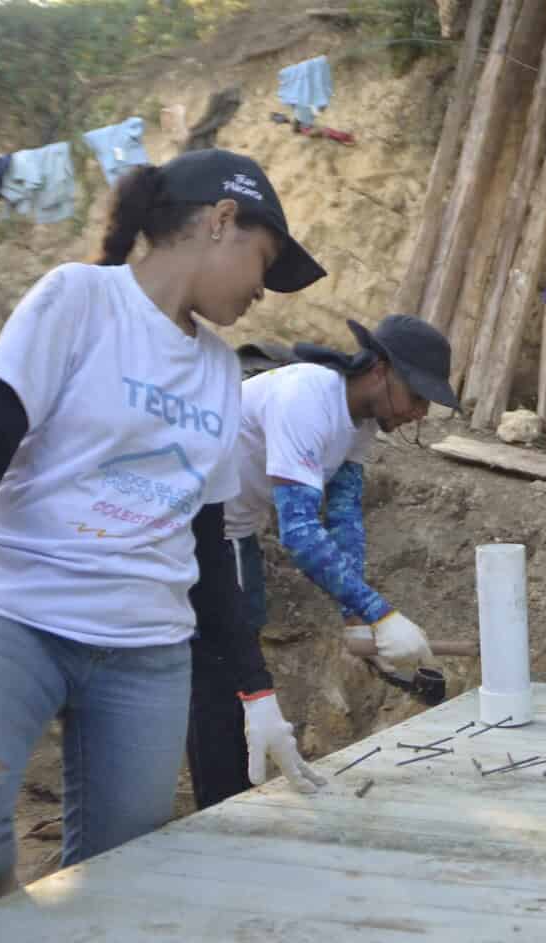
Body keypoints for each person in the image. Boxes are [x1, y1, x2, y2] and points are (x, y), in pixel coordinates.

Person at [0, 148, 327, 916]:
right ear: (222, 219)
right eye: (265, 258)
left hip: (145, 658)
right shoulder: (78, 300)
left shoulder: (223, 371)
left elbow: (209, 550)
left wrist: (254, 690)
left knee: (118, 890)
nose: (263, 288)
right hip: (18, 618)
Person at [186, 314, 456, 807]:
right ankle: (218, 803)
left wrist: (356, 616)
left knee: (239, 647)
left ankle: (227, 795)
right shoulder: (309, 397)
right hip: (186, 527)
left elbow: (346, 514)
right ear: (378, 369)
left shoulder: (362, 421)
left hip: (234, 530)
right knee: (220, 663)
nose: (420, 411)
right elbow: (301, 532)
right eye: (416, 395)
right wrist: (383, 613)